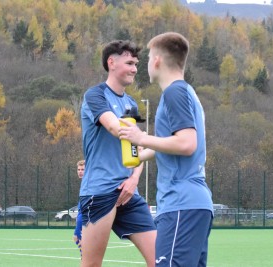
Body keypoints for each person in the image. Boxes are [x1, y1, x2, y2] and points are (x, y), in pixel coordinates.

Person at [118, 32, 213, 266]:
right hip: (194, 205)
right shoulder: (188, 93)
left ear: (157, 60)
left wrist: (142, 137)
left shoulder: (174, 93)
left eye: (149, 57)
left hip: (181, 204)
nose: (147, 64)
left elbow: (187, 143)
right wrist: (135, 153)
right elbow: (170, 145)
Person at [79, 40, 156, 267]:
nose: (134, 68)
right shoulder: (95, 96)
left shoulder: (131, 103)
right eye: (129, 63)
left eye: (136, 64)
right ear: (111, 63)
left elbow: (137, 149)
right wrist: (158, 141)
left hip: (129, 193)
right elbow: (114, 128)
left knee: (162, 260)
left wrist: (134, 179)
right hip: (100, 191)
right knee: (92, 264)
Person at [73, 160, 85, 258]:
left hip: (84, 218)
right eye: (78, 169)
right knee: (77, 238)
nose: (80, 171)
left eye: (82, 169)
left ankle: (85, 260)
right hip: (81, 216)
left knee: (79, 239)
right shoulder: (83, 183)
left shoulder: (89, 183)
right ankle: (84, 258)